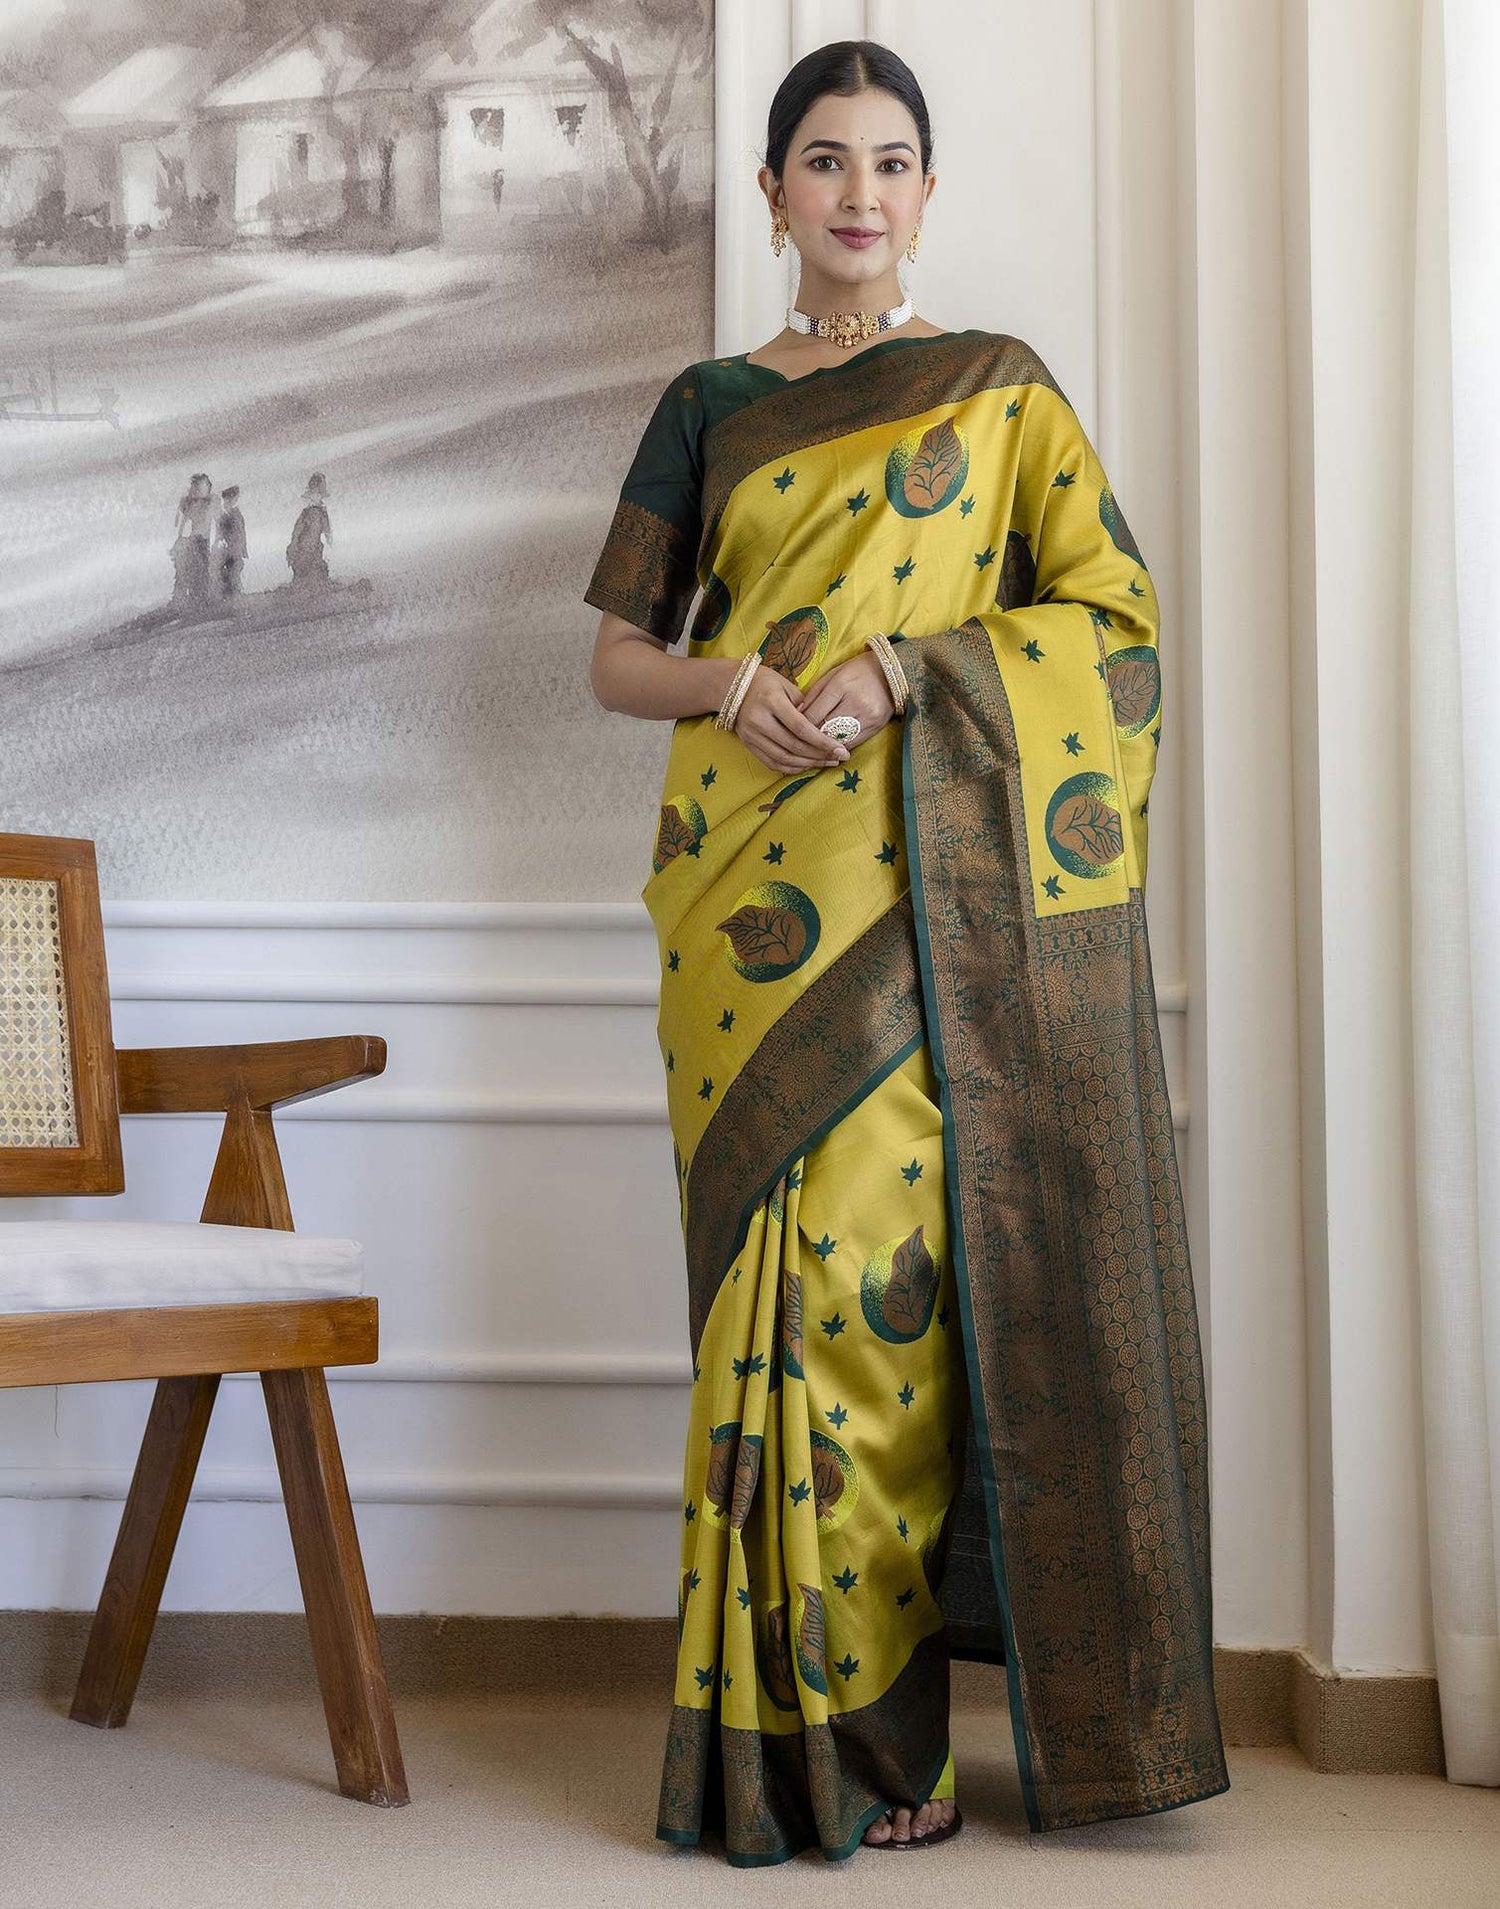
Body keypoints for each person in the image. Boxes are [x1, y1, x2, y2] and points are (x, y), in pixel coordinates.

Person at [585, 39, 1228, 1868]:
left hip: (930, 901)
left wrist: (908, 670)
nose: (858, 192)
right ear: (773, 192)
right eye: (822, 160)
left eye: (890, 162)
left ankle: (883, 1739)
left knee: (884, 1318)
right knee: (761, 1332)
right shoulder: (708, 402)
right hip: (742, 908)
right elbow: (618, 658)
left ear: (925, 194)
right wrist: (738, 679)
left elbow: (1113, 625)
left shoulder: (1002, 392)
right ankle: (785, 1749)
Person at [170, 472, 215, 604]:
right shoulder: (192, 504)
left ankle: (201, 599)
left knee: (201, 570)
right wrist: (180, 537)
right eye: (197, 488)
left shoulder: (208, 503)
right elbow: (180, 523)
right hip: (195, 540)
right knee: (195, 570)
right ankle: (195, 599)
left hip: (202, 540)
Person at [286, 471, 332, 586]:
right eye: (313, 493)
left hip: (314, 547)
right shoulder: (306, 513)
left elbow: (327, 528)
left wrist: (328, 537)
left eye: (318, 494)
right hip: (304, 548)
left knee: (317, 571)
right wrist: (294, 544)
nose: (316, 497)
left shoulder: (322, 512)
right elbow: (297, 530)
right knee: (304, 571)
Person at [214, 484, 247, 596]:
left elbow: (242, 532)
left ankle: (234, 592)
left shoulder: (235, 515)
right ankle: (231, 592)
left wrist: (244, 548)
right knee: (231, 572)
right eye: (224, 501)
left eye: (227, 501)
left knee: (234, 572)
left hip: (234, 549)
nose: (225, 504)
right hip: (230, 549)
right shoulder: (227, 516)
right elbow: (220, 534)